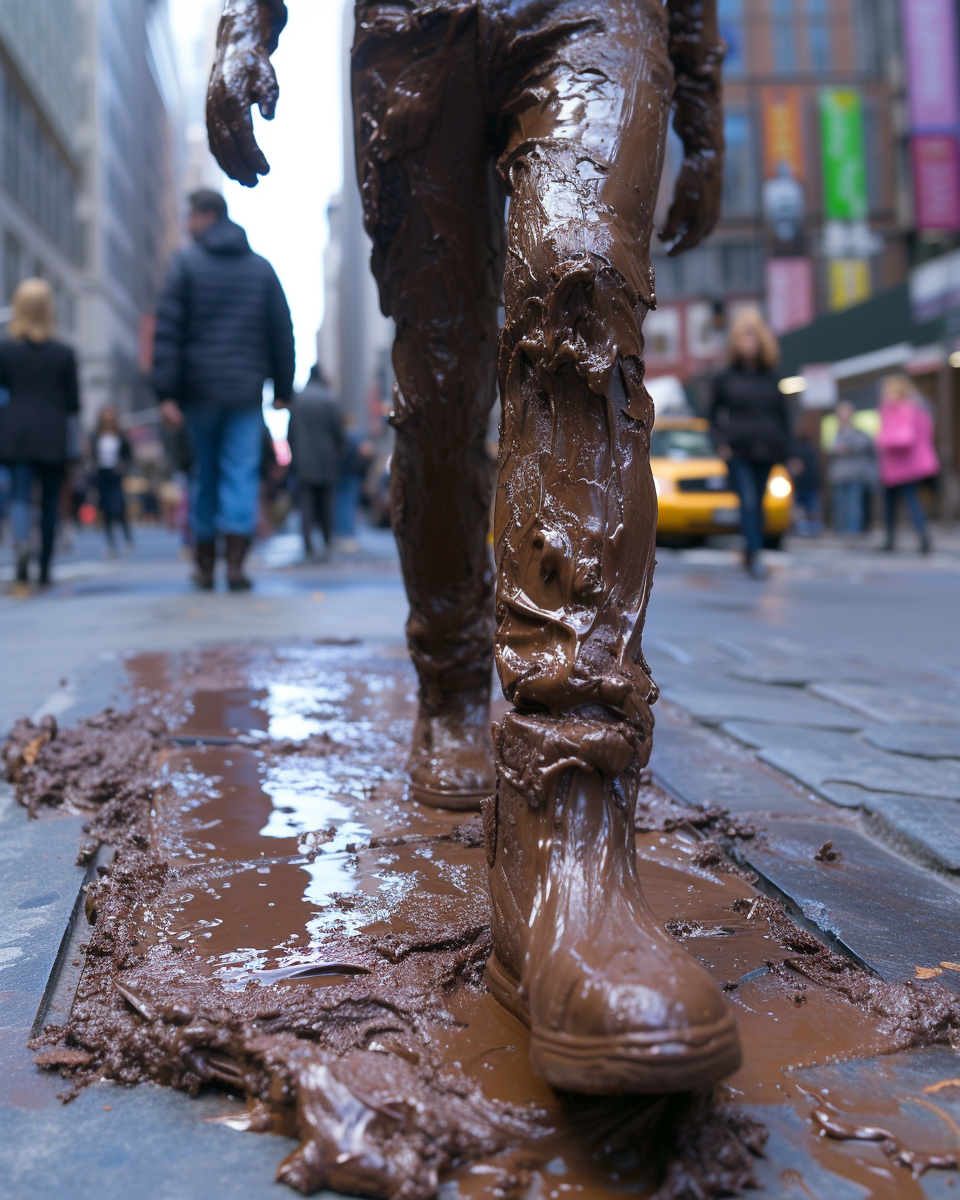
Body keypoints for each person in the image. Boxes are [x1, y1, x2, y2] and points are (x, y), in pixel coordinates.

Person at [209, 0, 741, 1099]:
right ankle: (448, 683)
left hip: (599, 14)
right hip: (418, 31)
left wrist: (706, 105)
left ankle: (567, 829)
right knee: (442, 386)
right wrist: (240, 26)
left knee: (579, 295)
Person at [153, 189, 295, 590]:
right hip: (245, 393)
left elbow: (168, 333)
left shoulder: (184, 265)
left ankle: (204, 565)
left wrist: (167, 393)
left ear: (208, 215)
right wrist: (283, 388)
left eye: (191, 217)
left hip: (198, 392)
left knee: (205, 475)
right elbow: (281, 331)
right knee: (240, 474)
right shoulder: (261, 269)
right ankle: (234, 566)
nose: (186, 225)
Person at [0, 278, 79, 586]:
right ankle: (45, 567)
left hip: (15, 430)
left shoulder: (5, 350)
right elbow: (73, 403)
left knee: (19, 493)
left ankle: (21, 542)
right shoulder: (63, 353)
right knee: (49, 502)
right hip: (51, 431)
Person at [709, 309, 791, 578]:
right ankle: (756, 555)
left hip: (767, 449)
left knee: (760, 502)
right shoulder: (726, 377)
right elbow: (712, 415)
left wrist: (789, 451)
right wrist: (720, 442)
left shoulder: (771, 377)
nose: (749, 344)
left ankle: (749, 547)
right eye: (744, 338)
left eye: (753, 338)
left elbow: (783, 416)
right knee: (749, 501)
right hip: (738, 450)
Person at [876, 374, 938, 554]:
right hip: (899, 467)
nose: (886, 394)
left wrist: (882, 439)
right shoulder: (917, 408)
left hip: (903, 467)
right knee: (895, 505)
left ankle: (917, 538)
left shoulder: (902, 409)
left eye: (890, 391)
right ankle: (896, 539)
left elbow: (905, 438)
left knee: (909, 503)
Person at [287, 365, 344, 560]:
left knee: (306, 502)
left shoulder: (298, 399)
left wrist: (293, 454)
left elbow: (290, 431)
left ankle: (308, 541)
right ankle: (327, 539)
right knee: (327, 501)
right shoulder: (329, 398)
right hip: (326, 457)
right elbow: (338, 429)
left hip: (303, 458)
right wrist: (340, 447)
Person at [828, 401, 875, 534]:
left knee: (854, 505)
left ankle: (853, 531)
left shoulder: (857, 431)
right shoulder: (836, 432)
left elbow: (865, 444)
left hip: (855, 474)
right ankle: (841, 530)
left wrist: (849, 447)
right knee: (840, 506)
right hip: (839, 475)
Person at [94, 405, 133, 553]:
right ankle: (111, 543)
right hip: (103, 475)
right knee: (106, 510)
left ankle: (127, 537)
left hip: (116, 475)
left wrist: (123, 465)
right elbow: (93, 455)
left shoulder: (120, 436)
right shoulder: (97, 436)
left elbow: (128, 454)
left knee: (119, 508)